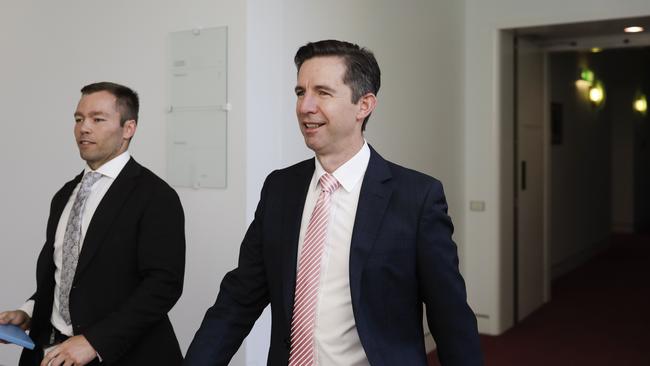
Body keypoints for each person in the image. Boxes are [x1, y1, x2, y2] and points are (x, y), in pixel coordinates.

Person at [185, 40, 482, 365]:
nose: (305, 107)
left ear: (363, 105)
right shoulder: (280, 189)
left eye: (323, 93)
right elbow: (239, 299)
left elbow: (450, 318)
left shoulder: (416, 197)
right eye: (300, 92)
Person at [0, 82, 186, 366]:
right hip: (51, 352)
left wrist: (94, 341)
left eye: (98, 119)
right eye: (78, 119)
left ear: (128, 129)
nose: (83, 128)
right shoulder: (65, 194)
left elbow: (163, 287)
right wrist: (29, 311)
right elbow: (68, 276)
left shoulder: (156, 197)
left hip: (123, 355)